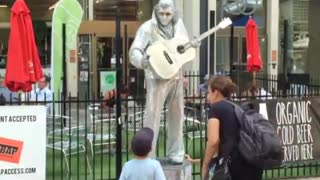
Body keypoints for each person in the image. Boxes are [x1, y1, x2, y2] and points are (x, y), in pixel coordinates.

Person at [129, 0, 200, 164]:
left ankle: (176, 152)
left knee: (177, 115)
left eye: (168, 14)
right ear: (156, 12)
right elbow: (135, 50)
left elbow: (183, 49)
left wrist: (193, 45)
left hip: (176, 75)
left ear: (173, 13)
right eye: (161, 14)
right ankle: (148, 153)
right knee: (152, 115)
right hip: (156, 77)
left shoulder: (179, 26)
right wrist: (142, 61)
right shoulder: (147, 27)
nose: (165, 17)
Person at [201, 76, 263, 180]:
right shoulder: (237, 108)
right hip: (251, 161)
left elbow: (213, 141)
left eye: (208, 93)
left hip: (232, 165)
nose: (207, 96)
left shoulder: (215, 109)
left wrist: (205, 166)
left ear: (215, 92)